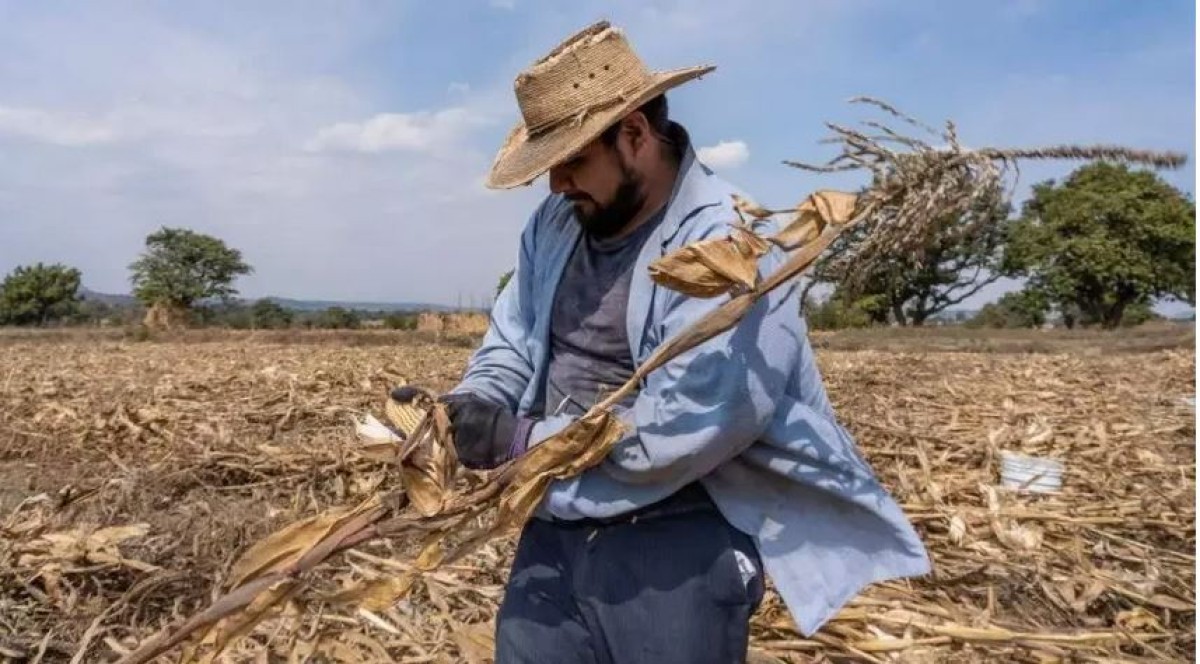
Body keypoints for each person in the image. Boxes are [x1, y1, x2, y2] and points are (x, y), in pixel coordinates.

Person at [392, 20, 930, 664]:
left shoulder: (730, 248)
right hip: (553, 516)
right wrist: (467, 410)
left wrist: (515, 441)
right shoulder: (558, 223)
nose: (556, 183)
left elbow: (688, 429)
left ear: (635, 135)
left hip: (678, 534)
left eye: (571, 161)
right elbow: (514, 337)